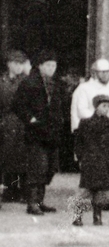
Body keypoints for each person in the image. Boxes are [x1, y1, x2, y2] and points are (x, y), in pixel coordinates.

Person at [11, 50, 66, 215]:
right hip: (35, 133)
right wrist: (30, 119)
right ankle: (32, 203)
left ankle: (40, 201)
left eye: (54, 65)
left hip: (52, 133)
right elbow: (18, 105)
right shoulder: (29, 83)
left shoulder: (56, 84)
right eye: (48, 65)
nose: (51, 68)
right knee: (37, 168)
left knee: (49, 168)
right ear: (40, 66)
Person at [70, 58, 109, 211]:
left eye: (108, 72)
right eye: (102, 72)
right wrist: (98, 122)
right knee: (91, 173)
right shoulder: (84, 89)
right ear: (95, 72)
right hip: (92, 137)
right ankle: (87, 205)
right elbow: (81, 110)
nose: (105, 75)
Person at [70, 94, 109, 227]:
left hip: (104, 162)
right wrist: (81, 158)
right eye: (104, 106)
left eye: (108, 106)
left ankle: (97, 216)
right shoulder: (85, 124)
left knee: (101, 192)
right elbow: (78, 143)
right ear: (96, 107)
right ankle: (77, 217)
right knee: (84, 191)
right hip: (89, 162)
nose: (106, 109)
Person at [0, 49, 31, 207]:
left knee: (24, 157)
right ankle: (10, 191)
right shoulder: (2, 81)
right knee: (7, 156)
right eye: (15, 63)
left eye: (21, 63)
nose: (18, 67)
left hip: (24, 123)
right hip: (6, 123)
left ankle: (26, 191)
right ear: (9, 64)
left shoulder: (28, 81)